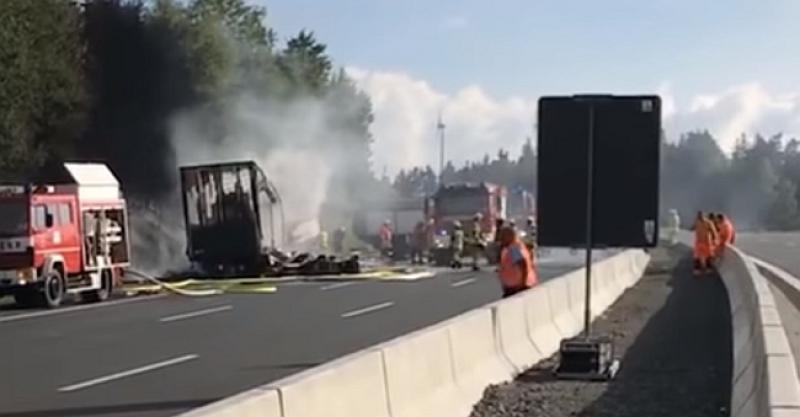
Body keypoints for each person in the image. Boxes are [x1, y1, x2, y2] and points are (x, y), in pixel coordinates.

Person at [497, 226, 537, 297]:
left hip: (517, 287)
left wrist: (521, 284)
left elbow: (523, 265)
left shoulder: (514, 248)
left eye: (503, 236)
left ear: (509, 236)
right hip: (517, 285)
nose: (500, 239)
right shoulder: (513, 247)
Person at [691, 211, 716, 276]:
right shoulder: (697, 222)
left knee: (708, 255)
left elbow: (713, 231)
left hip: (706, 241)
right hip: (699, 241)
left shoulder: (708, 222)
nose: (699, 217)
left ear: (703, 215)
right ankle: (697, 270)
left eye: (700, 215)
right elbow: (692, 228)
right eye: (699, 216)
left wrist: (714, 239)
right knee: (697, 256)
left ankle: (708, 268)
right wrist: (693, 226)